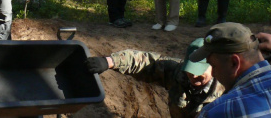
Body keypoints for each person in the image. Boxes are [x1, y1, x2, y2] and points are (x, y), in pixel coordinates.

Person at [85, 38, 224, 117]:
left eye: (199, 71)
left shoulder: (228, 91)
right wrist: (110, 61)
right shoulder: (179, 74)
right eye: (190, 70)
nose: (193, 75)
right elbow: (147, 62)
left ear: (214, 65)